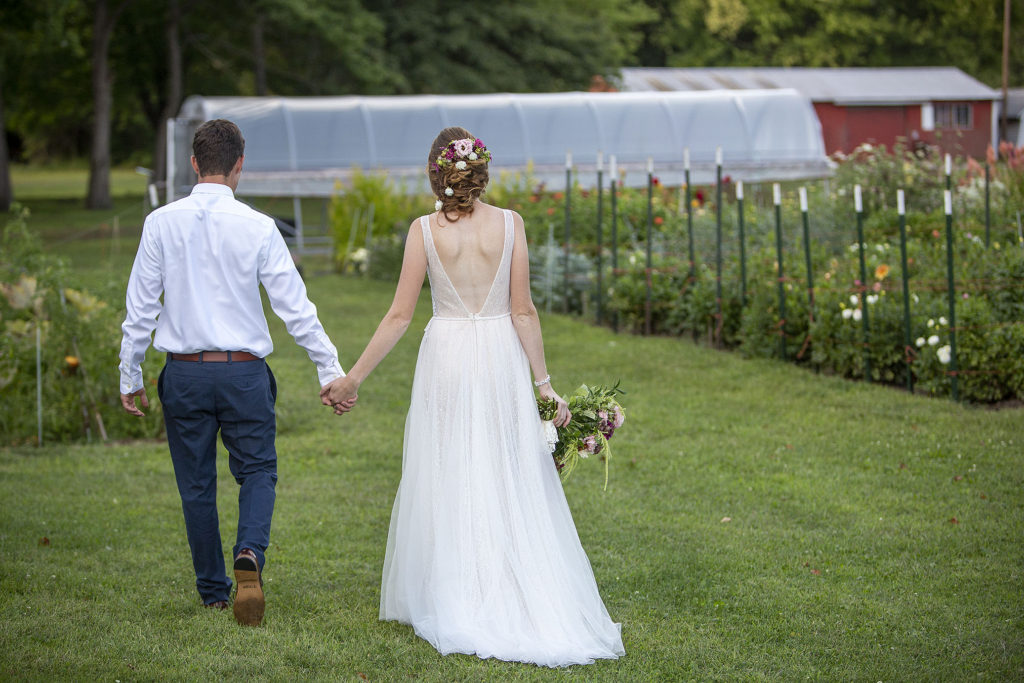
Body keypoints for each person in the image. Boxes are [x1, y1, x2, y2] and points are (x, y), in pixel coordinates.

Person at [321, 127, 624, 667]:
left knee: (451, 467)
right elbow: (523, 310)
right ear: (479, 171)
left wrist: (354, 378)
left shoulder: (422, 231)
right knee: (504, 466)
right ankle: (506, 581)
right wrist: (543, 383)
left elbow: (399, 315)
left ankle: (457, 589)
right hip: (500, 356)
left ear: (437, 173)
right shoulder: (511, 225)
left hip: (448, 356)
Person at [118, 119, 354, 626]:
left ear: (195, 163)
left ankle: (213, 592)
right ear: (240, 165)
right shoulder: (259, 226)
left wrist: (129, 372)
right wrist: (328, 369)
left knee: (196, 485)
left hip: (183, 374)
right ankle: (249, 553)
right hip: (245, 374)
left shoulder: (160, 222)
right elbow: (296, 309)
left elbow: (140, 307)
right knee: (259, 470)